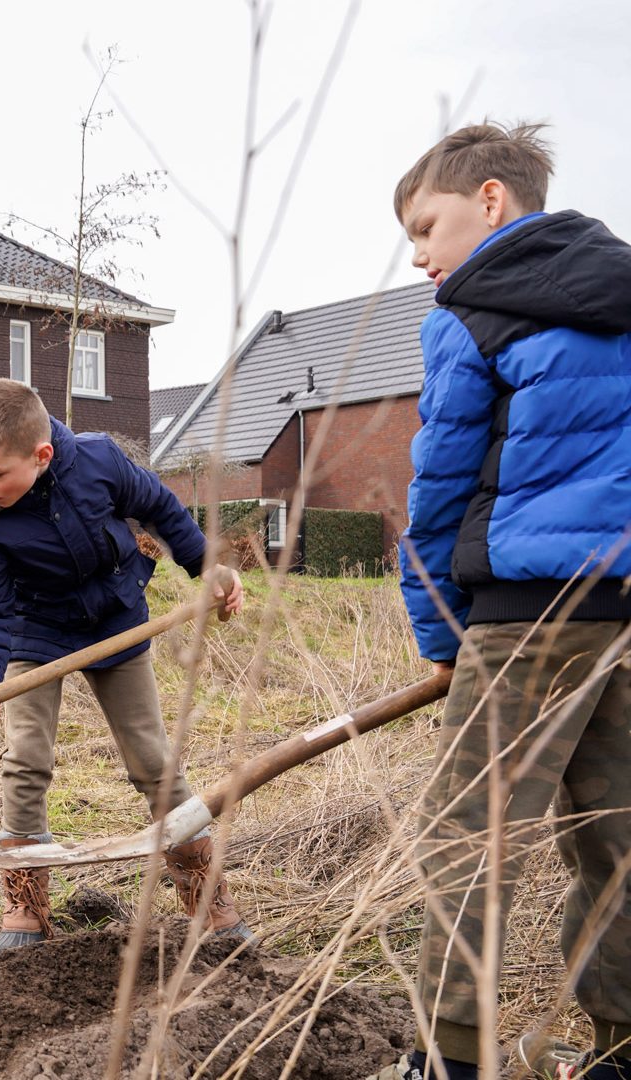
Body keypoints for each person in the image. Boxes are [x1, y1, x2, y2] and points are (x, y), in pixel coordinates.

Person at [375, 123, 631, 1080]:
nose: (417, 253)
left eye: (425, 225)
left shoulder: (468, 311)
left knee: (472, 838)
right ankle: (621, 1047)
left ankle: (452, 1058)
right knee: (620, 839)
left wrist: (437, 630)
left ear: (490, 201)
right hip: (623, 612)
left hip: (523, 617)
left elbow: (438, 485)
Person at [0, 378, 246, 956]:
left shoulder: (100, 461)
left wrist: (206, 567)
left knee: (153, 760)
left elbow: (160, 509)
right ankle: (25, 904)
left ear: (42, 454)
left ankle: (209, 900)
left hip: (116, 621)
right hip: (35, 634)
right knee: (26, 759)